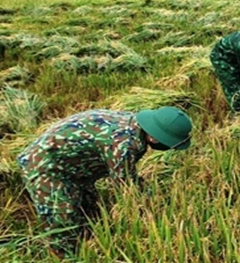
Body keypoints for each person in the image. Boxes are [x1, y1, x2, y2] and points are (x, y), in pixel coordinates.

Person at [17, 106, 193, 258]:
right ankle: (65, 257)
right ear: (155, 137)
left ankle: (88, 249)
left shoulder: (133, 124)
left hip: (76, 168)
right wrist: (154, 206)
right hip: (46, 166)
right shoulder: (123, 143)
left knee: (89, 212)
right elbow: (125, 187)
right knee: (63, 217)